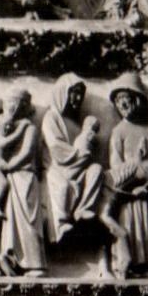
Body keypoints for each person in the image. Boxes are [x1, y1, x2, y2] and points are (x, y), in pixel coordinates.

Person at [107, 75, 148, 274]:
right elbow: (116, 167)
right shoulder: (119, 131)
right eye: (118, 99)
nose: (122, 102)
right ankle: (135, 265)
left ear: (136, 98)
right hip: (131, 194)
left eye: (125, 97)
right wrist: (135, 169)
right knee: (134, 225)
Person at [41, 74, 105, 244]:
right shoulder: (52, 117)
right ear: (63, 92)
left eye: (80, 94)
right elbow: (55, 147)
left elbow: (86, 148)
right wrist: (80, 154)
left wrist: (84, 154)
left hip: (78, 167)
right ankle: (60, 224)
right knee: (62, 185)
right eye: (74, 92)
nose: (78, 98)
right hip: (57, 167)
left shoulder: (77, 125)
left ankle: (84, 209)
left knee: (96, 170)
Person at [0, 88, 45, 274]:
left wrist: (9, 166)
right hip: (13, 179)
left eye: (13, 102)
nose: (9, 107)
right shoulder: (6, 125)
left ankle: (35, 263)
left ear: (21, 105)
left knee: (29, 221)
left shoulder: (29, 127)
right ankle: (12, 260)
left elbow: (27, 152)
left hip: (25, 176)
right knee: (11, 221)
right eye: (7, 103)